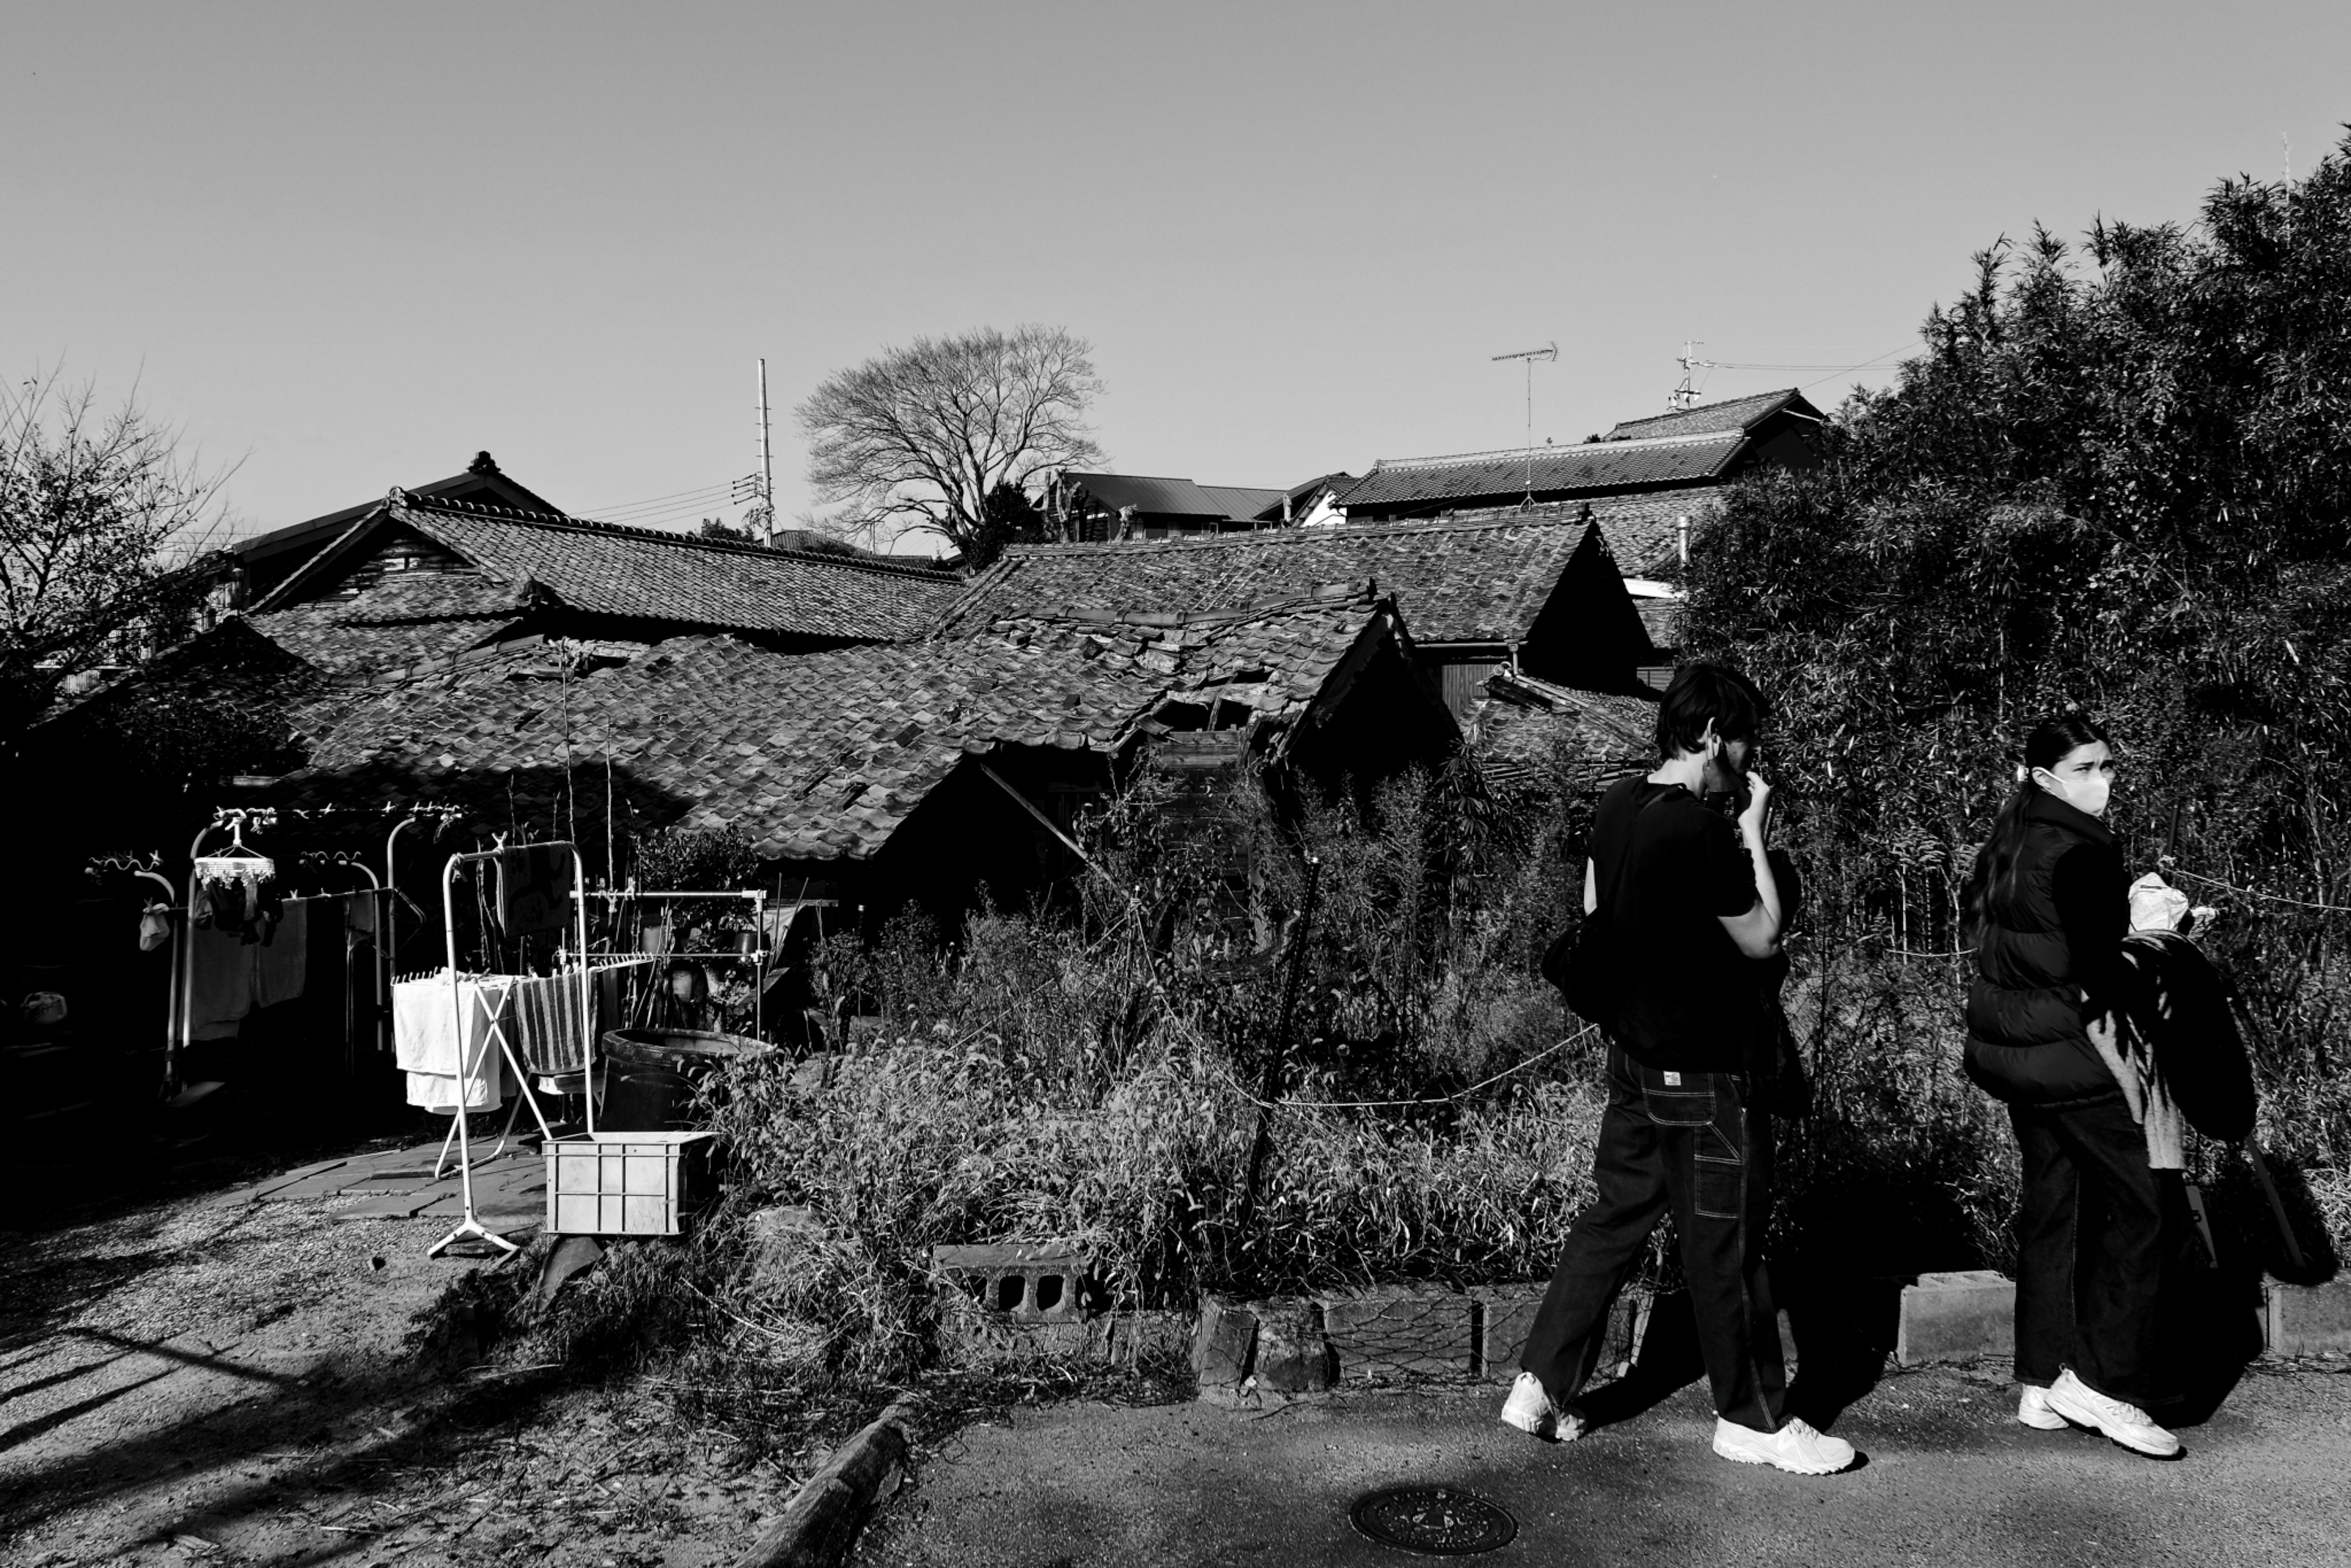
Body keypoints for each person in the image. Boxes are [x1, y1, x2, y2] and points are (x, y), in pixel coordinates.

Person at [1502, 663, 1854, 1476]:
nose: (1749, 759)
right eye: (1745, 742)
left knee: (1613, 1220)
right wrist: (1756, 830)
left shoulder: (1617, 804)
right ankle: (1754, 1420)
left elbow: (1596, 913)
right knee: (1726, 1246)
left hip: (1633, 1059)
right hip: (1704, 1071)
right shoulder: (1701, 832)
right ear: (1714, 738)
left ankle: (1541, 1384)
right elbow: (1765, 936)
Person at [1962, 713, 2182, 1458]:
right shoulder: (2080, 853)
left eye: (2108, 764)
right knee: (2146, 1206)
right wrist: (2158, 933)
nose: (2105, 781)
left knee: (2055, 1207)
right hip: (2075, 1057)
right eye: (2089, 767)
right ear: (2048, 776)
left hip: (2018, 1054)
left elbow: (2041, 946)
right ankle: (2103, 1381)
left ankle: (2042, 1377)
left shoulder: (2012, 836)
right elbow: (2103, 972)